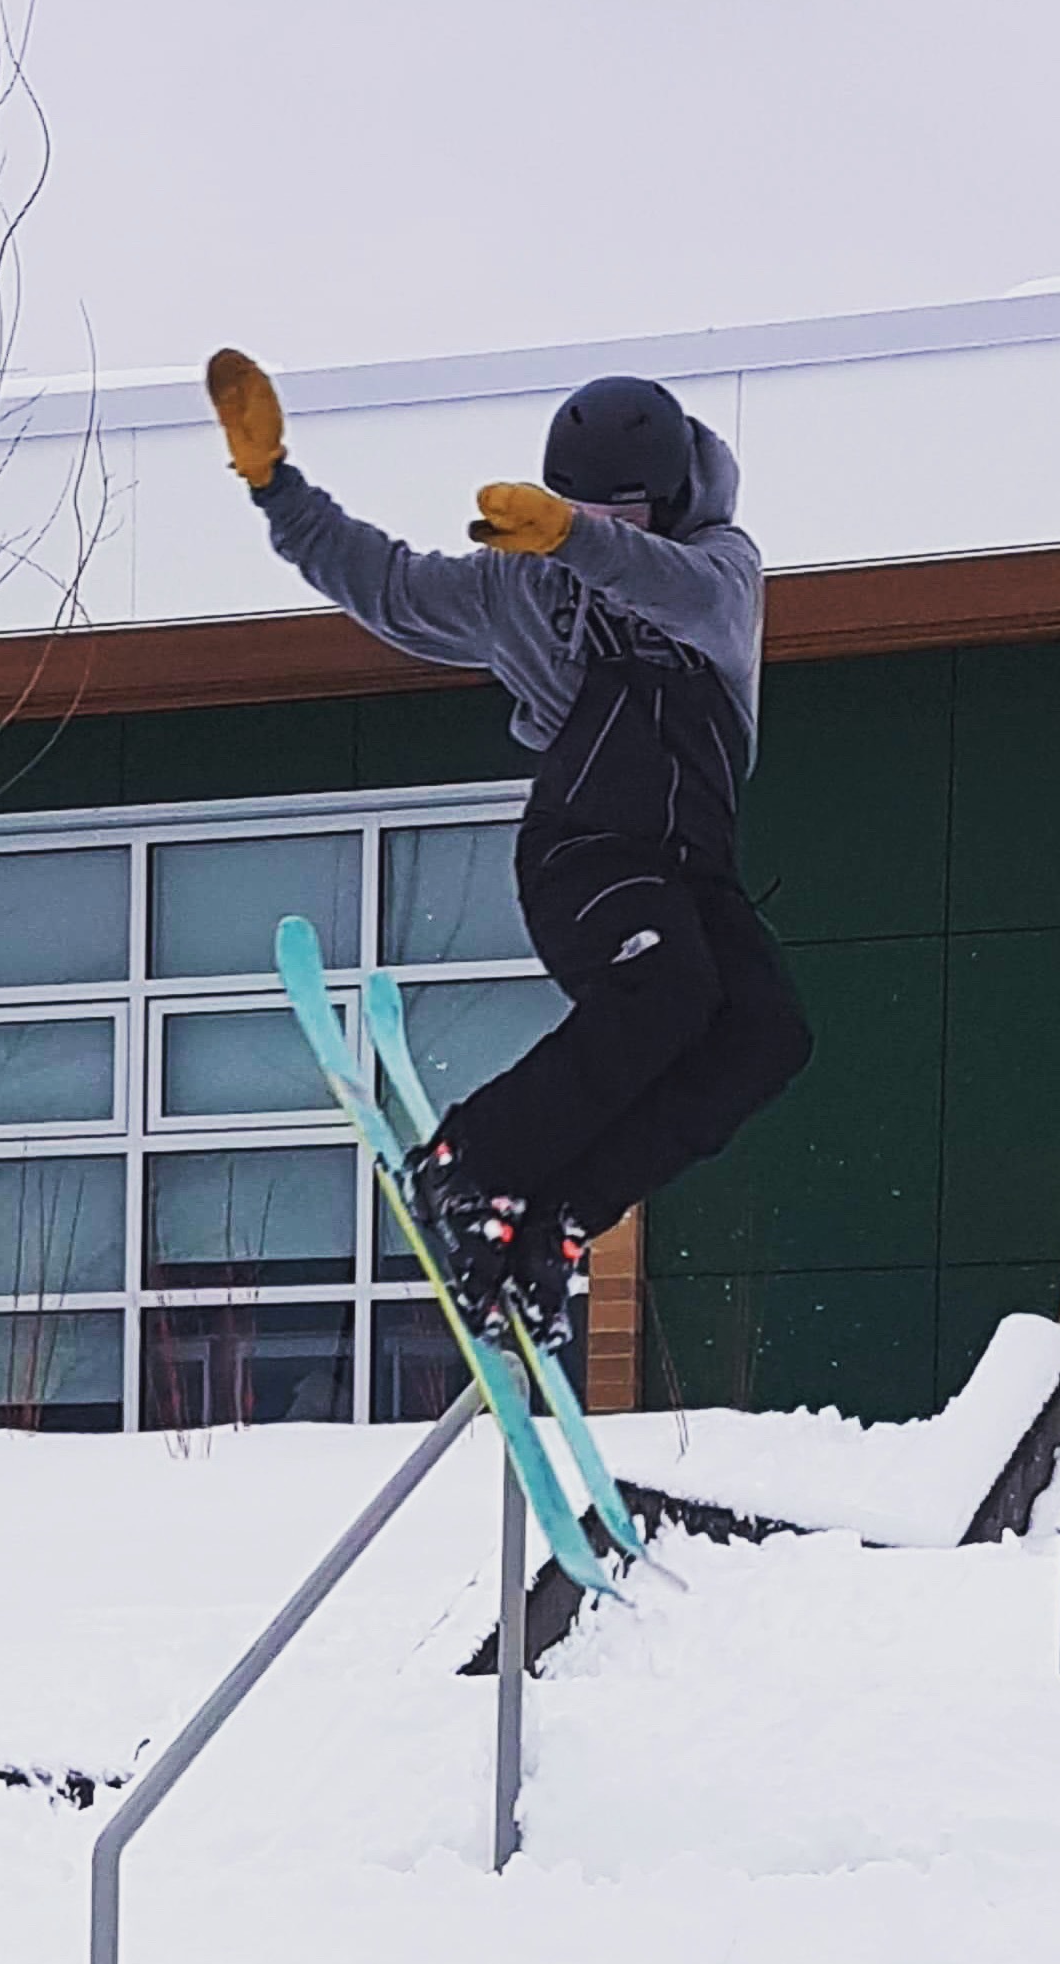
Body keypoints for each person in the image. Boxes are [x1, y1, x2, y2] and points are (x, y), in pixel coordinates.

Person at [205, 347, 812, 1349]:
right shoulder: (514, 585)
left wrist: (576, 535)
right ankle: (470, 1162)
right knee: (662, 996)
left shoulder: (719, 569)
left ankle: (559, 1220)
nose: (603, 538)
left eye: (624, 516)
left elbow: (659, 584)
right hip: (584, 848)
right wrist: (278, 490)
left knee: (764, 1034)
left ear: (665, 502)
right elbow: (385, 582)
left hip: (687, 863)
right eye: (585, 514)